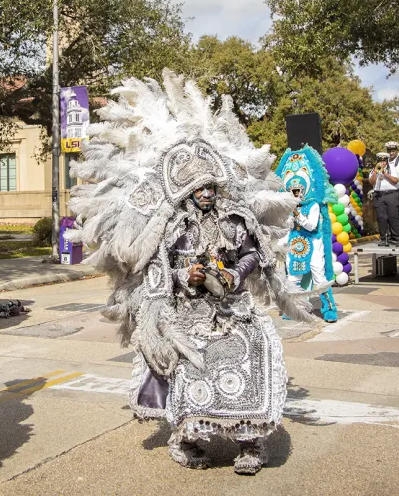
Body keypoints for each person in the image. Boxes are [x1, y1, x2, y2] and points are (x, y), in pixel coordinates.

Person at [67, 71, 317, 476]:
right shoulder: (173, 227)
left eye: (210, 187)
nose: (205, 193)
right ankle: (189, 438)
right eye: (197, 188)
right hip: (188, 313)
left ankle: (250, 442)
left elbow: (255, 253)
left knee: (253, 349)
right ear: (184, 191)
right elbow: (154, 266)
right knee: (191, 361)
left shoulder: (235, 218)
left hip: (233, 308)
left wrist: (234, 275)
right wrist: (189, 277)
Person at [277, 147, 338, 322]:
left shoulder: (313, 205)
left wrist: (297, 215)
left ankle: (329, 308)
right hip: (294, 242)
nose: (296, 193)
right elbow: (286, 227)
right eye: (293, 191)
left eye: (298, 190)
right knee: (293, 276)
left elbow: (311, 226)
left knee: (318, 274)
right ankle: (295, 309)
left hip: (313, 241)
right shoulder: (289, 208)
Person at [369, 152, 398, 246]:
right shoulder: (374, 170)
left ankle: (396, 238)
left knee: (393, 216)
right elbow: (371, 182)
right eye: (381, 161)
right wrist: (375, 172)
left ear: (387, 161)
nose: (383, 163)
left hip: (391, 194)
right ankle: (384, 238)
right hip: (379, 194)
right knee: (382, 218)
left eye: (384, 161)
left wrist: (384, 173)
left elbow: (396, 180)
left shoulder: (392, 168)